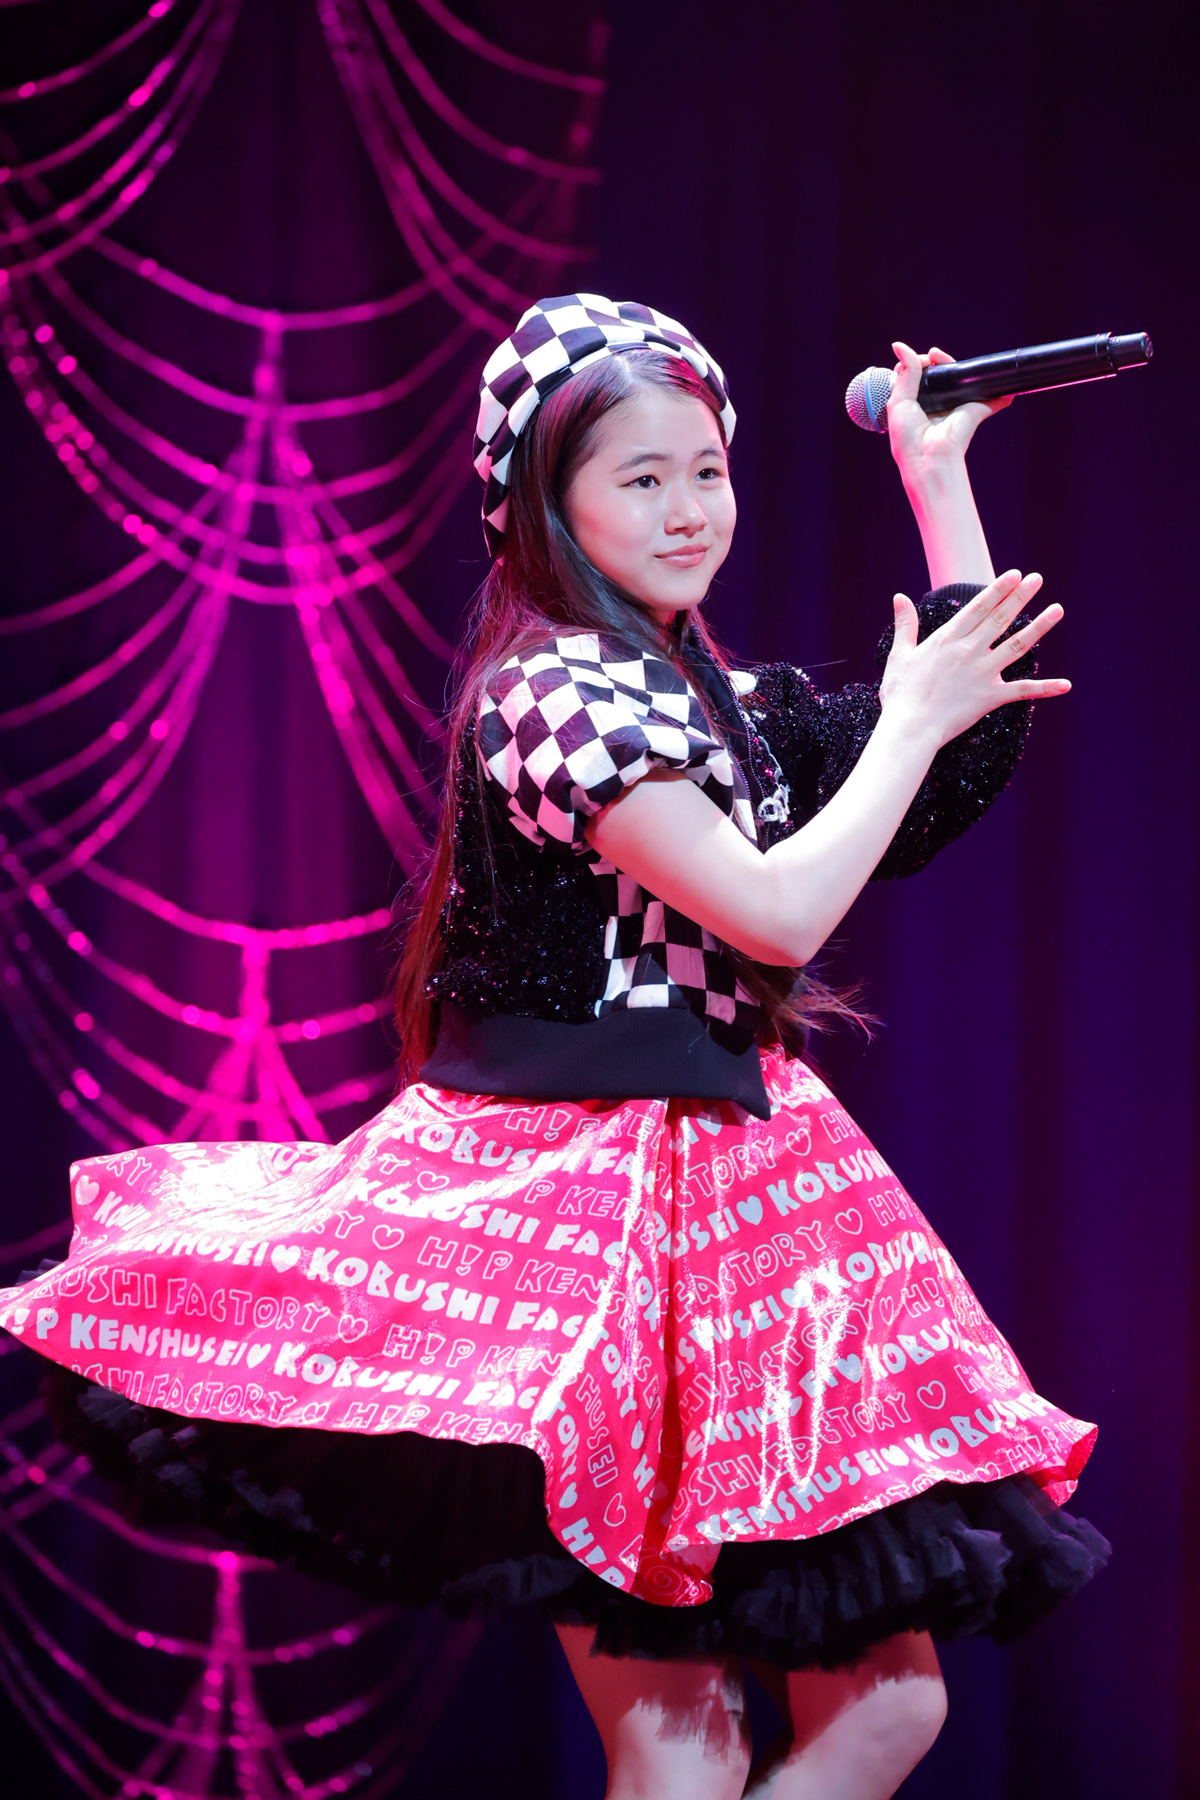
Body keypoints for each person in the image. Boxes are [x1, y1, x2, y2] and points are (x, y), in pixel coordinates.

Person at [0, 296, 1108, 1799]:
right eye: (641, 478)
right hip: (574, 1219)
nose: (689, 508)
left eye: (706, 470)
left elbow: (953, 750)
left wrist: (936, 477)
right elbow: (777, 911)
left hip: (745, 1209)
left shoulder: (718, 702)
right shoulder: (549, 696)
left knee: (884, 1709)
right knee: (681, 1744)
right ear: (546, 503)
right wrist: (907, 723)